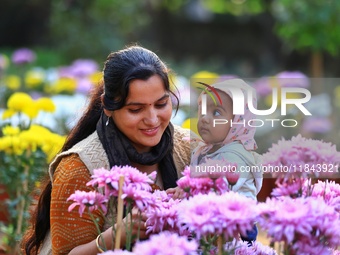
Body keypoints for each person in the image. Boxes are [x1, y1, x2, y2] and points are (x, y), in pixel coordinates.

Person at [21, 45, 193, 255]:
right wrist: (118, 235)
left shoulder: (189, 148)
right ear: (108, 107)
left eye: (161, 104)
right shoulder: (79, 168)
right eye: (136, 109)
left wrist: (196, 196)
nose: (152, 119)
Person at [190, 78, 263, 243]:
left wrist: (187, 189)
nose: (204, 119)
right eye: (201, 111)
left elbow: (220, 187)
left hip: (237, 228)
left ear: (239, 121)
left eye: (216, 112)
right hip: (216, 220)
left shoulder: (235, 155)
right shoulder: (208, 148)